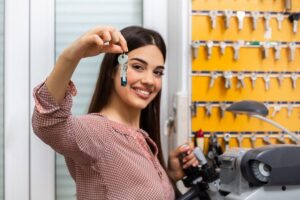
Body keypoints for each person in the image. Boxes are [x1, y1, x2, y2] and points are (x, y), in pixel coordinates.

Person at [32, 25, 199, 200]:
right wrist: (71, 56)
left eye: (157, 72)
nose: (150, 80)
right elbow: (47, 122)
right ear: (114, 70)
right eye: (138, 67)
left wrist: (169, 177)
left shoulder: (142, 138)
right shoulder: (95, 131)